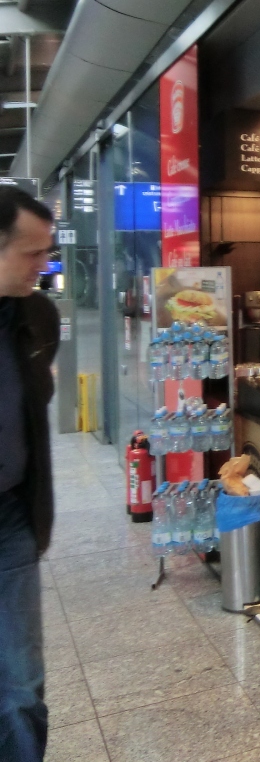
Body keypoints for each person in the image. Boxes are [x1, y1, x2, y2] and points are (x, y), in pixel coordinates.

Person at [0, 188, 60, 762]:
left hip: (10, 517)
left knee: (22, 681)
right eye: (32, 253)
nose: (44, 266)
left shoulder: (38, 316)